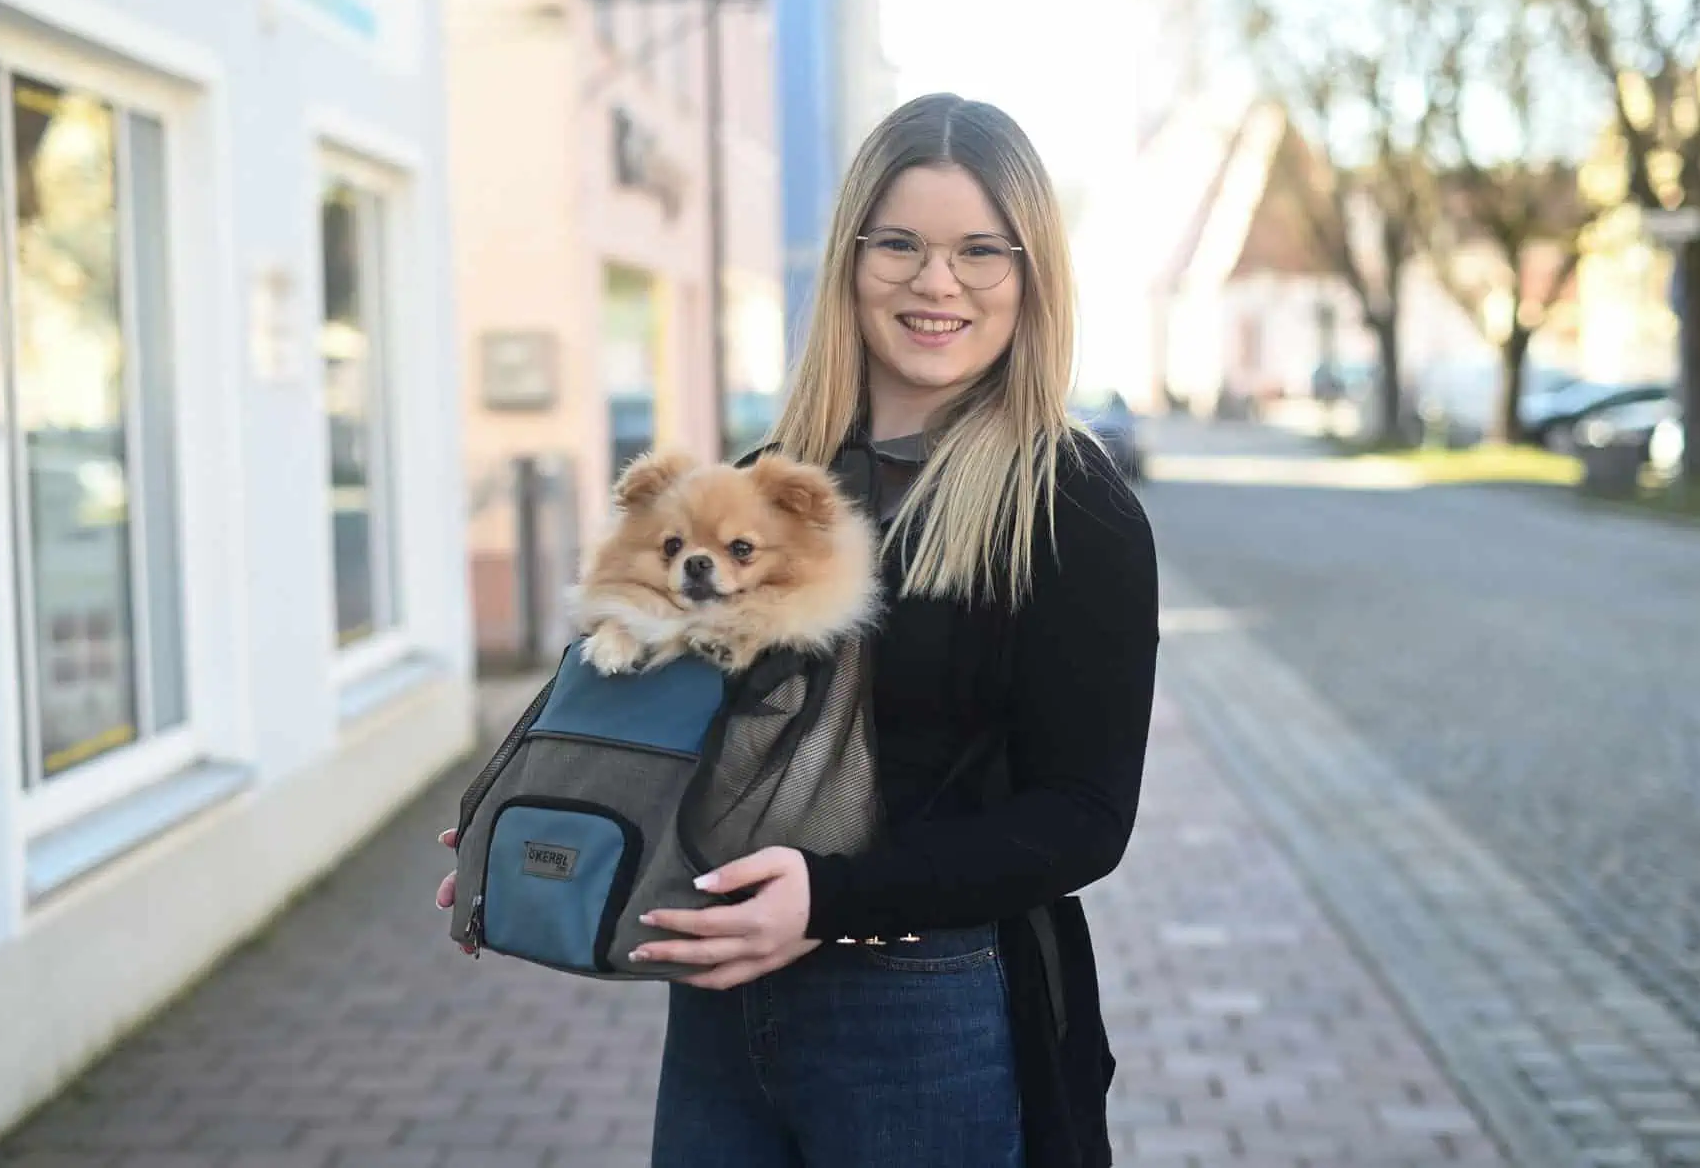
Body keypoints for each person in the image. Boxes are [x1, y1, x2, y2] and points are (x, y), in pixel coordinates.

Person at [436, 93, 1159, 1168]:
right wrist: (554, 805)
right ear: (851, 256)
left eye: (979, 251)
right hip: (724, 1002)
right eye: (901, 243)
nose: (936, 282)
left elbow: (1084, 816)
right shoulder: (766, 478)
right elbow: (675, 686)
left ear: (1031, 272)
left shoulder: (1068, 502)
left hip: (926, 1006)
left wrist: (830, 898)